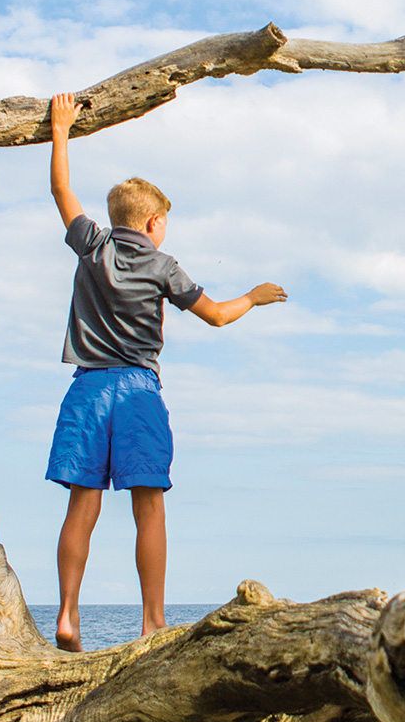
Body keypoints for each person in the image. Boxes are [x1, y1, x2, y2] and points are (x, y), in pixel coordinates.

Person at [43, 91, 287, 651]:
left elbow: (62, 190)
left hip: (87, 387)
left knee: (83, 503)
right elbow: (219, 317)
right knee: (148, 505)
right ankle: (153, 621)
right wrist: (252, 295)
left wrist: (61, 128)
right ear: (154, 222)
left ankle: (67, 616)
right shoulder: (162, 265)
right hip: (137, 391)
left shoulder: (92, 246)